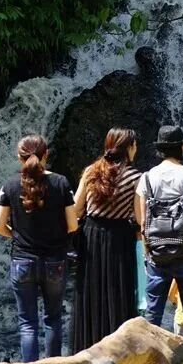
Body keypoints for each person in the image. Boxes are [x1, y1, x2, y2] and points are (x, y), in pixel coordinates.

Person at [0, 134, 78, 362]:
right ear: (46, 154)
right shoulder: (61, 183)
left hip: (22, 261)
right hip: (55, 261)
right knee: (53, 319)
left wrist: (17, 236)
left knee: (27, 323)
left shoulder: (9, 185)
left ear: (19, 157)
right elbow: (72, 224)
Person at [135, 125, 183, 337]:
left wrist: (146, 251)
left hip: (157, 255)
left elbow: (143, 221)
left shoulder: (147, 178)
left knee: (153, 316)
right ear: (181, 148)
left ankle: (149, 363)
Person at [71, 128, 141, 352]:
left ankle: (86, 351)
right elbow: (140, 217)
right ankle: (118, 358)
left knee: (90, 293)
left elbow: (76, 208)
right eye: (134, 145)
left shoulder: (91, 171)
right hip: (119, 239)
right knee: (117, 293)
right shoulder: (135, 177)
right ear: (128, 148)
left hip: (91, 237)